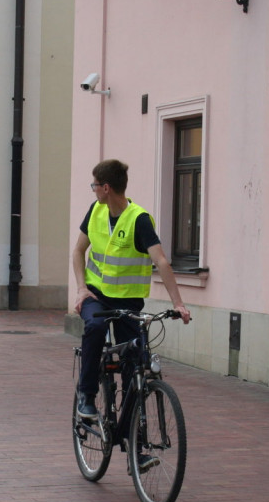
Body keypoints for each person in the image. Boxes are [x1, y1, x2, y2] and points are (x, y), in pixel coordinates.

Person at [72, 159, 191, 425]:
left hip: (128, 303)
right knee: (95, 326)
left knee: (134, 366)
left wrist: (179, 303)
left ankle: (134, 440)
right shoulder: (95, 211)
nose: (93, 190)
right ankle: (86, 396)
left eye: (94, 185)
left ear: (106, 188)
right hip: (96, 296)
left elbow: (161, 261)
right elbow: (78, 251)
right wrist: (81, 288)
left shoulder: (139, 219)